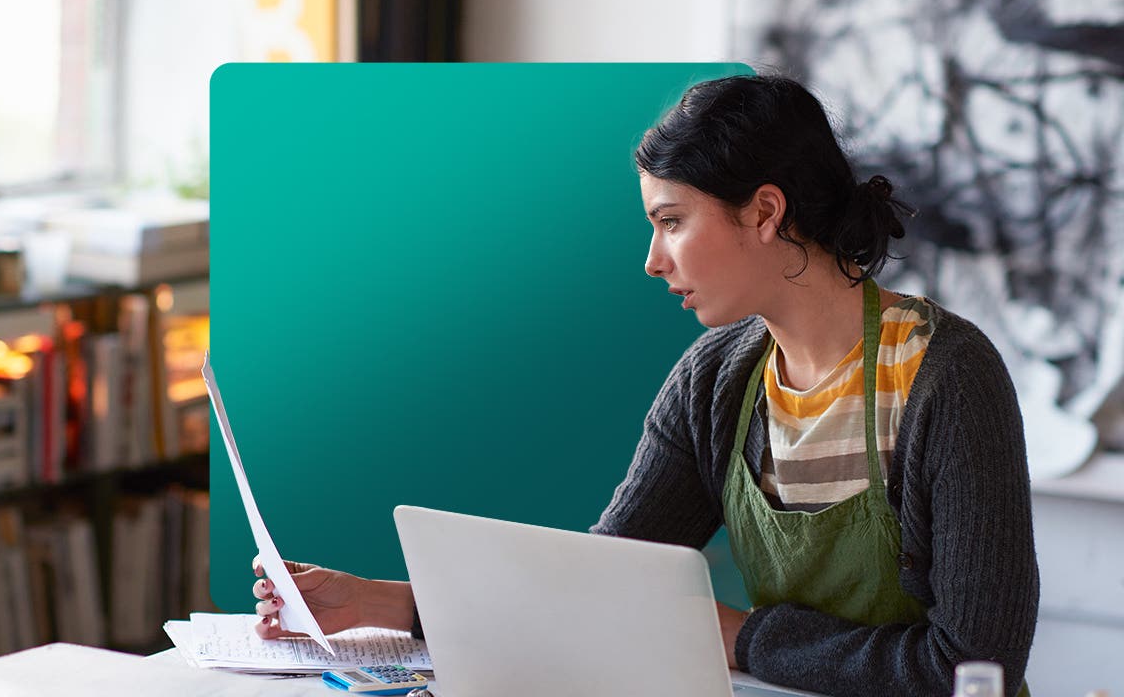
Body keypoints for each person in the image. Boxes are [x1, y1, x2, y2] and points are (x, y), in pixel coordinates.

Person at [249, 75, 1039, 697]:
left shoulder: (947, 377)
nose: (653, 261)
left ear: (765, 212)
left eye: (671, 221)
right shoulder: (715, 381)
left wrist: (738, 636)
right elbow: (599, 587)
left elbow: (973, 670)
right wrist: (380, 604)